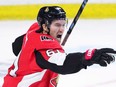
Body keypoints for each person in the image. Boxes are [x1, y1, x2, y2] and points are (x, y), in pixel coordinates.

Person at [2, 6, 116, 87]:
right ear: (45, 26)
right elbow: (63, 65)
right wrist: (87, 56)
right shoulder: (43, 46)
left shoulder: (34, 31)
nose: (61, 29)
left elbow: (16, 46)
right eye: (57, 25)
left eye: (63, 24)